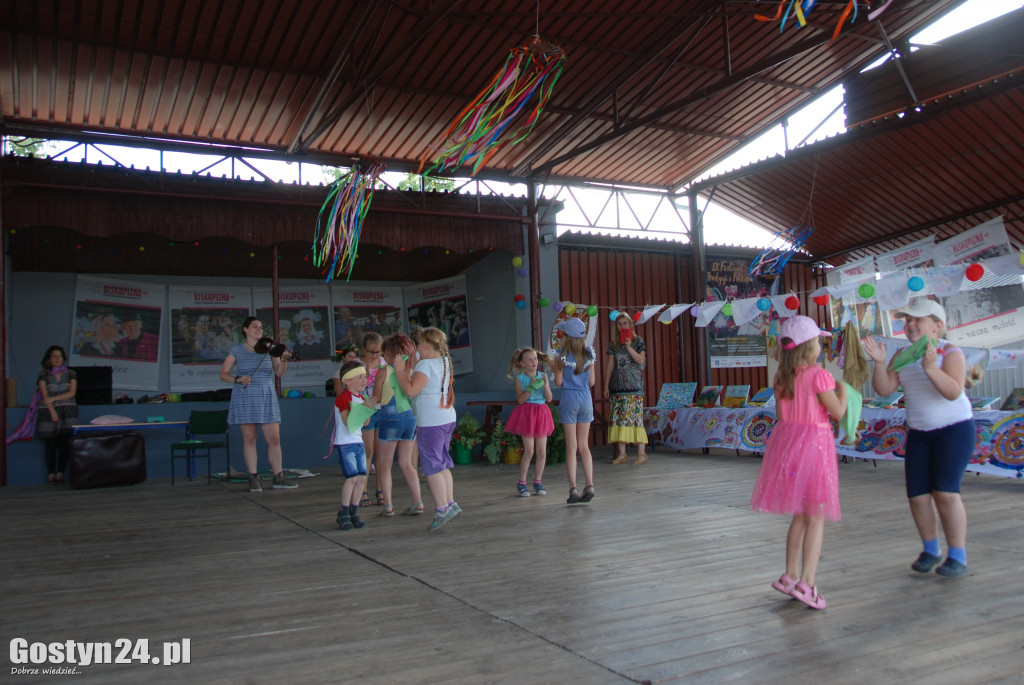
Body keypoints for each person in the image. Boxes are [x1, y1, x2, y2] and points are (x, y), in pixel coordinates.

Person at [862, 299, 974, 578]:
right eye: (907, 320)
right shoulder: (903, 354)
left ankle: (957, 556)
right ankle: (930, 550)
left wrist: (930, 367)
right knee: (918, 497)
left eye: (917, 320)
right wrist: (878, 362)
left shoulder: (951, 353)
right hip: (920, 433)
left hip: (954, 429)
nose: (910, 324)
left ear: (937, 326)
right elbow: (885, 389)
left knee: (946, 493)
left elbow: (953, 391)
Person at [750, 315, 847, 610]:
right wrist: (843, 391)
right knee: (815, 515)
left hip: (789, 446)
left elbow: (782, 417)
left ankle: (789, 575)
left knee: (799, 516)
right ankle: (807, 582)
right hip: (815, 448)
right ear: (809, 347)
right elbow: (838, 413)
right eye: (818, 341)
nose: (820, 345)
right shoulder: (819, 376)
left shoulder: (781, 378)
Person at [392, 326, 461, 531]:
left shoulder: (425, 365)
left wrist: (399, 371)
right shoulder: (444, 361)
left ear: (429, 346)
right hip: (446, 417)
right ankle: (450, 502)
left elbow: (411, 389)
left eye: (420, 344)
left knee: (431, 465)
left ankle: (441, 508)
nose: (417, 347)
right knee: (442, 461)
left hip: (431, 420)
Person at [219, 317, 298, 491]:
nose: (259, 329)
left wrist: (284, 360)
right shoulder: (237, 350)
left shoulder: (270, 350)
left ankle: (278, 476)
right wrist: (237, 378)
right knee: (250, 438)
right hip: (245, 395)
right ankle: (253, 477)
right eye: (254, 326)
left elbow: (279, 373)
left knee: (274, 438)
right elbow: (223, 374)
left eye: (261, 327)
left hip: (266, 394)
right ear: (245, 330)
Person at [372, 332, 422, 517]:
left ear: (390, 353)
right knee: (407, 463)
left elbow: (376, 398)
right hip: (409, 417)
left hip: (390, 417)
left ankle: (388, 505)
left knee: (384, 465)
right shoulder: (410, 371)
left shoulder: (384, 371)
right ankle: (418, 501)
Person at [549, 317, 597, 504]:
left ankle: (573, 489)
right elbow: (592, 382)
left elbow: (559, 382)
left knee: (571, 447)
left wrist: (555, 370)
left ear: (566, 336)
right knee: (584, 446)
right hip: (585, 398)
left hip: (569, 398)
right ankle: (590, 485)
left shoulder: (562, 356)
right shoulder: (589, 354)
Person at [504, 347, 554, 497]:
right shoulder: (520, 379)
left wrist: (544, 384)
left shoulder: (543, 376)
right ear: (522, 363)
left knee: (542, 451)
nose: (534, 362)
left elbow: (549, 398)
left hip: (541, 413)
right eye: (530, 360)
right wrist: (531, 387)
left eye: (535, 359)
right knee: (529, 451)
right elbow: (520, 400)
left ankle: (538, 481)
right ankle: (522, 483)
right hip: (527, 414)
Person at [333, 360, 375, 530]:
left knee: (361, 478)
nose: (364, 380)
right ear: (348, 381)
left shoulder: (362, 397)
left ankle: (354, 511)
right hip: (345, 444)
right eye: (360, 377)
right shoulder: (344, 398)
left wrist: (366, 409)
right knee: (351, 478)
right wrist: (363, 408)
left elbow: (365, 423)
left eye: (365, 377)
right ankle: (344, 512)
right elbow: (348, 421)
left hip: (358, 442)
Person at [604, 312, 649, 465]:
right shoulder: (613, 344)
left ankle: (641, 453)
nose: (622, 326)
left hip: (633, 386)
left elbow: (641, 361)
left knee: (635, 418)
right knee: (619, 418)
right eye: (619, 324)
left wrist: (629, 347)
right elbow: (610, 365)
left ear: (630, 324)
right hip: (617, 386)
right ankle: (622, 453)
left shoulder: (638, 341)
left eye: (624, 323)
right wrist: (606, 385)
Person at [35, 346, 78, 484]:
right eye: (54, 356)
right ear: (49, 359)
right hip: (48, 412)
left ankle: (60, 473)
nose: (58, 358)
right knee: (51, 444)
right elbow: (44, 396)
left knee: (64, 444)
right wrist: (53, 411)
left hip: (68, 412)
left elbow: (72, 393)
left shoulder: (71, 373)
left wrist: (53, 399)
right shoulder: (44, 375)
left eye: (60, 355)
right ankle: (51, 474)